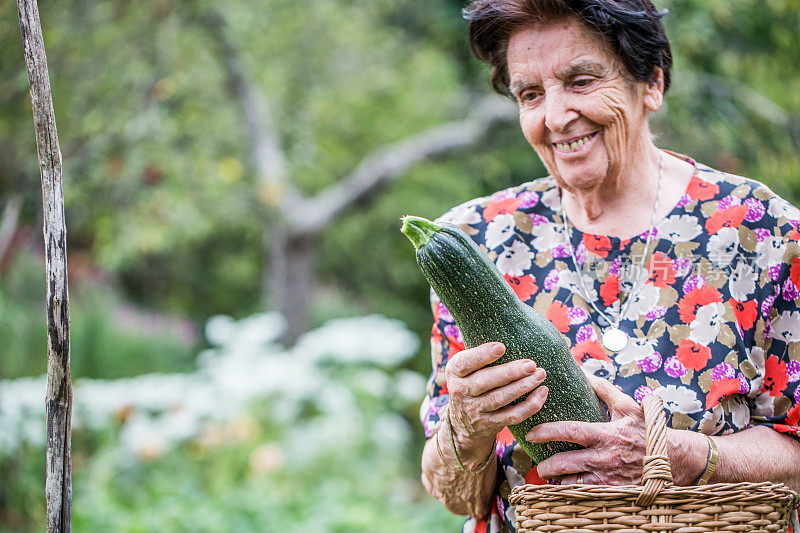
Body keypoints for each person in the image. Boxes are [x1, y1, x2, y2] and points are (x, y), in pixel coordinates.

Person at [418, 1, 800, 532]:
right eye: (531, 94)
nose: (554, 117)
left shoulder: (761, 232)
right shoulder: (475, 244)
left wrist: (682, 455)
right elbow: (454, 495)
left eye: (580, 80)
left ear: (652, 84)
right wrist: (466, 428)